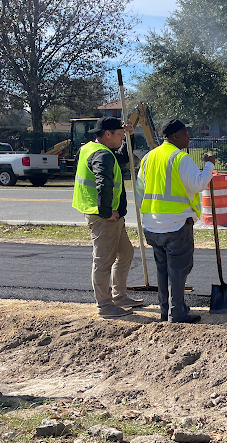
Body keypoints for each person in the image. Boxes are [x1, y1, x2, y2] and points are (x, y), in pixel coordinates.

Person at [136, 119, 215, 324]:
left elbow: (139, 193)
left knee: (163, 271)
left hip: (153, 226)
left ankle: (166, 310)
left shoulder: (148, 158)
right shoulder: (180, 158)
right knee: (178, 271)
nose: (189, 136)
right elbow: (198, 184)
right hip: (177, 224)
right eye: (186, 133)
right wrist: (209, 165)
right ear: (175, 136)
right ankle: (177, 313)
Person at [72, 117, 143, 319]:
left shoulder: (93, 149)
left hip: (111, 215)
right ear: (107, 134)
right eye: (119, 134)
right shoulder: (101, 155)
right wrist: (105, 211)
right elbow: (104, 184)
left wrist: (130, 136)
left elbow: (124, 157)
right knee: (103, 260)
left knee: (126, 252)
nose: (122, 137)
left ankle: (119, 297)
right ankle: (105, 305)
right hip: (104, 217)